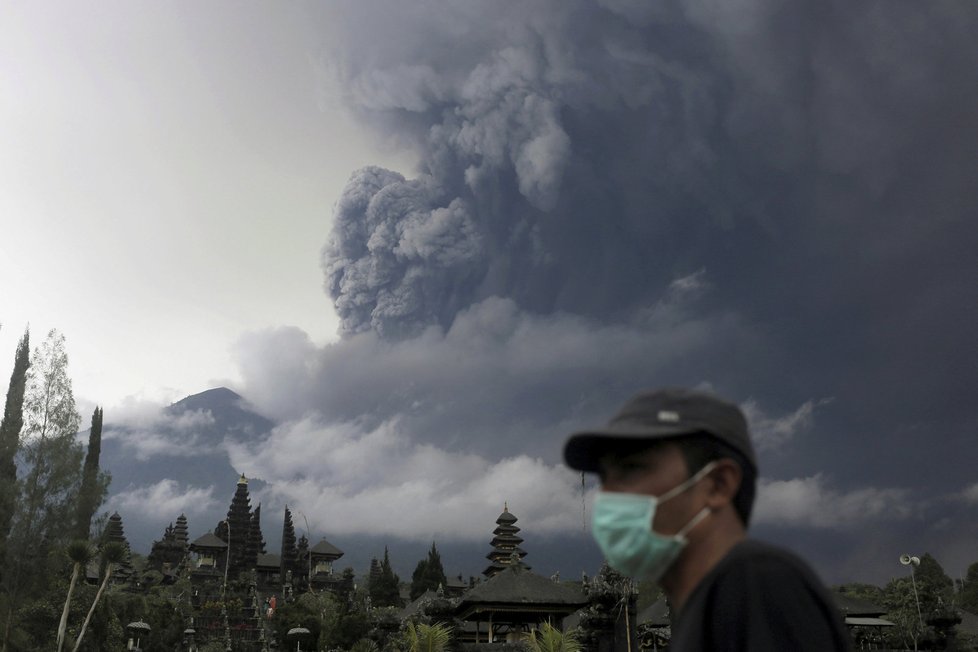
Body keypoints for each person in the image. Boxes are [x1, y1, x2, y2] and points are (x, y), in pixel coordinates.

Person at [563, 387, 852, 651]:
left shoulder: (754, 587)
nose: (611, 495)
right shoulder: (706, 602)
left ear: (718, 484)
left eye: (633, 470)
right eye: (607, 478)